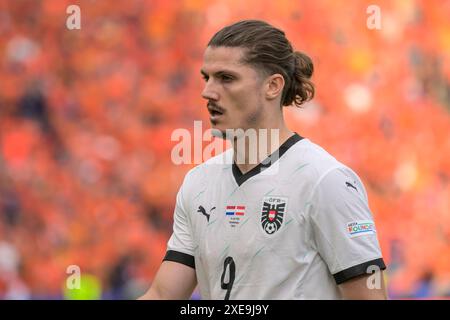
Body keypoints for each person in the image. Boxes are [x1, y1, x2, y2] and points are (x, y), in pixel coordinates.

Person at [140, 20, 387, 300]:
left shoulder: (326, 180)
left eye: (226, 78)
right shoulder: (198, 182)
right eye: (206, 78)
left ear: (272, 86)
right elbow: (162, 294)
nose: (207, 92)